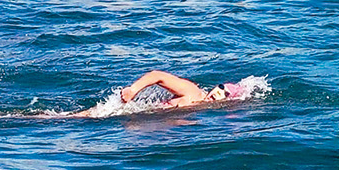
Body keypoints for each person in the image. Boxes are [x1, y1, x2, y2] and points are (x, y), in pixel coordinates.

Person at [73, 71, 247, 116]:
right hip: (125, 112)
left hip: (138, 118)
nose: (219, 92)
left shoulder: (203, 110)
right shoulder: (194, 92)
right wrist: (132, 90)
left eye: (225, 94)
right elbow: (158, 76)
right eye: (221, 87)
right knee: (71, 119)